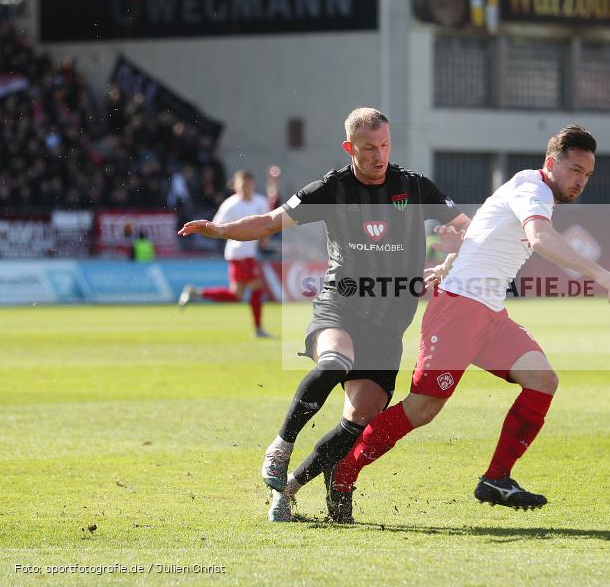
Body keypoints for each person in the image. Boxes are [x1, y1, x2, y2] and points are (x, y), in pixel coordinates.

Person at [326, 125, 610, 522]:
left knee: (543, 380)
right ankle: (342, 475)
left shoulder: (531, 188)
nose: (581, 181)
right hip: (457, 310)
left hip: (487, 313)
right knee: (422, 409)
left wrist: (452, 261)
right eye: (575, 170)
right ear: (550, 164)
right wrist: (601, 274)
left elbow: (486, 231)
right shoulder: (534, 189)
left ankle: (497, 478)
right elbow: (539, 238)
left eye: (587, 175)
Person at [177, 108, 470, 522]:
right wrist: (221, 231)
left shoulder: (414, 186)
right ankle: (281, 444)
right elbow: (270, 222)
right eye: (369, 148)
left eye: (385, 145)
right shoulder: (333, 188)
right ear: (350, 148)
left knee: (362, 417)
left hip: (389, 324)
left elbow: (466, 228)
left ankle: (292, 488)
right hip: (341, 305)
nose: (379, 155)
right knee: (337, 360)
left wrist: (450, 259)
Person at [178, 170, 273, 337]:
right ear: (235, 186)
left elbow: (268, 222)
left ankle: (197, 293)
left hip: (248, 253)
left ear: (254, 185)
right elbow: (215, 226)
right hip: (238, 253)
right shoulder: (230, 205)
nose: (245, 188)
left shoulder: (261, 201)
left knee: (236, 295)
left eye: (248, 184)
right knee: (258, 287)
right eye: (242, 185)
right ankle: (258, 329)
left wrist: (265, 237)